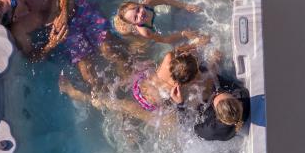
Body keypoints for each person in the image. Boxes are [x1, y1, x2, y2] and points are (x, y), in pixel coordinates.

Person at [0, 0, 124, 80]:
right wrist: (51, 44)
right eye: (13, 1)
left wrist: (63, 11)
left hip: (80, 8)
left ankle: (130, 75)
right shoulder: (20, 30)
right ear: (14, 17)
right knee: (89, 76)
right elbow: (31, 57)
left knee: (109, 50)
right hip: (69, 32)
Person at [59, 47, 203, 123]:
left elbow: (180, 51)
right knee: (108, 103)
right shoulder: (178, 87)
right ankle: (71, 91)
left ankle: (74, 90)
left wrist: (190, 48)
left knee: (106, 97)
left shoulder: (168, 58)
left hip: (137, 85)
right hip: (147, 105)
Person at [113, 0, 204, 48]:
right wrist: (182, 34)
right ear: (134, 24)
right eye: (136, 18)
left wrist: (185, 5)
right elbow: (164, 40)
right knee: (141, 44)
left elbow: (166, 1)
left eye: (138, 9)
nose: (140, 14)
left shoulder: (149, 3)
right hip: (146, 30)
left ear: (139, 4)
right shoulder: (145, 31)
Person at [194, 76, 250, 141]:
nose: (217, 93)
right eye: (223, 92)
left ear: (216, 115)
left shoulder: (211, 129)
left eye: (215, 97)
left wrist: (181, 104)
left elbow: (193, 129)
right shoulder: (243, 96)